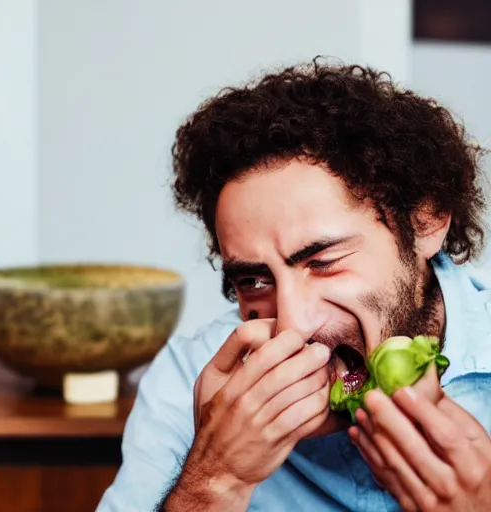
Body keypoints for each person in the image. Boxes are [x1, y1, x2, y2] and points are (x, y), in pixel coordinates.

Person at [97, 58, 491, 512]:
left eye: (322, 261)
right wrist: (215, 478)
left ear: (425, 221)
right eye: (254, 280)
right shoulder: (189, 377)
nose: (292, 326)